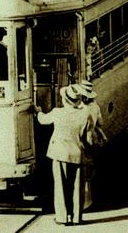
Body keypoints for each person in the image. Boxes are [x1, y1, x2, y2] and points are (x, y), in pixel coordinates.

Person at [36, 84, 93, 226]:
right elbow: (89, 138)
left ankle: (62, 217)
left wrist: (38, 111)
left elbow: (43, 120)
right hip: (78, 154)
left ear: (65, 100)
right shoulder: (85, 113)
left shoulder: (57, 112)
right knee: (77, 188)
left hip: (60, 154)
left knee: (61, 187)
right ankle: (76, 218)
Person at [78, 80, 107, 210]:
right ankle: (90, 199)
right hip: (93, 138)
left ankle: (84, 201)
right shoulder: (95, 107)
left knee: (83, 168)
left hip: (82, 139)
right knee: (91, 168)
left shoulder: (80, 108)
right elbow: (100, 122)